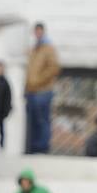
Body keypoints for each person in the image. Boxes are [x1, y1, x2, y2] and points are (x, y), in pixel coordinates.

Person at [24, 23, 60, 154]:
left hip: (43, 90)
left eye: (39, 31)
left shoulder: (48, 48)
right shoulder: (34, 48)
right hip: (32, 91)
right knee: (32, 121)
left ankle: (42, 147)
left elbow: (54, 68)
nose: (37, 33)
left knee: (42, 120)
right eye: (35, 31)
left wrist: (37, 81)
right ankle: (33, 147)